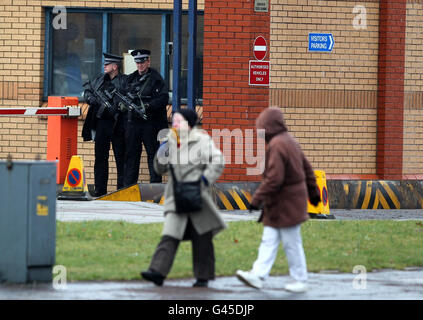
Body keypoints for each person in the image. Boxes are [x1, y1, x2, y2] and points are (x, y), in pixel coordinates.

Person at [235, 107, 321, 293]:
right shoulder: (290, 142)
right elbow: (307, 170)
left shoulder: (277, 145)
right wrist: (314, 194)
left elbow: (274, 179)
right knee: (270, 239)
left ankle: (300, 279)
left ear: (268, 127)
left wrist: (256, 199)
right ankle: (258, 275)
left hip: (285, 204)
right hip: (287, 203)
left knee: (291, 242)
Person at [141, 108, 226, 288]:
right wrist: (161, 153)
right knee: (170, 234)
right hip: (176, 196)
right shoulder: (170, 141)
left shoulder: (202, 140)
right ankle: (157, 272)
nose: (175, 125)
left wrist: (204, 179)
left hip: (197, 195)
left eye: (179, 122)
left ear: (189, 124)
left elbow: (218, 161)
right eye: (173, 122)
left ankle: (203, 277)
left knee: (202, 237)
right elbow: (160, 170)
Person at [82, 53, 127, 197]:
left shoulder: (124, 81)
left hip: (118, 124)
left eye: (107, 64)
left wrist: (117, 107)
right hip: (102, 124)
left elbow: (128, 98)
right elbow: (88, 91)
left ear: (115, 67)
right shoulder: (100, 80)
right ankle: (100, 189)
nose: (104, 66)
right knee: (100, 158)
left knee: (121, 158)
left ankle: (122, 189)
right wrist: (90, 98)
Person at [123, 49, 169, 185]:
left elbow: (163, 99)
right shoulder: (130, 78)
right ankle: (129, 188)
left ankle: (155, 187)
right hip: (133, 124)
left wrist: (148, 106)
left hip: (150, 123)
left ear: (148, 61)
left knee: (153, 155)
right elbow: (123, 97)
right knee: (131, 156)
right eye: (137, 63)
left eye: (142, 62)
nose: (140, 65)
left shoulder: (156, 79)